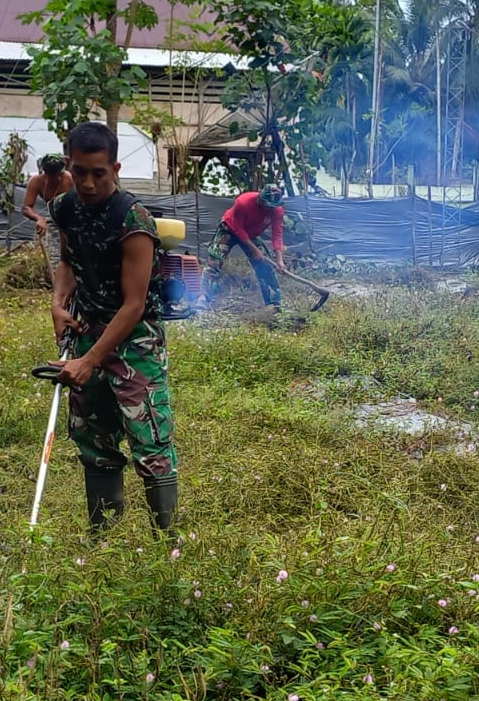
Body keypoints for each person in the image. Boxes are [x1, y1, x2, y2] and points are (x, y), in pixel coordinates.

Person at [47, 121, 178, 532]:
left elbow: (134, 304)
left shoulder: (132, 219)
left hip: (135, 338)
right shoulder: (64, 207)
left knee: (150, 439)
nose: (87, 182)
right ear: (69, 165)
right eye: (79, 171)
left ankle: (168, 543)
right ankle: (102, 539)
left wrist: (89, 360)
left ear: (115, 168)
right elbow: (68, 263)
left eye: (98, 173)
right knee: (94, 440)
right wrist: (57, 303)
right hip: (89, 329)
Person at [210, 185, 286, 305]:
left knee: (264, 265)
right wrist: (254, 249)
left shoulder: (277, 210)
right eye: (267, 205)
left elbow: (277, 233)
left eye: (272, 206)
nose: (269, 209)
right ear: (260, 199)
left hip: (250, 234)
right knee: (214, 261)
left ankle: (274, 304)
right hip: (229, 227)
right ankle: (202, 300)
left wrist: (279, 260)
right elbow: (238, 229)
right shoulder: (243, 202)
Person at [21, 153, 74, 277]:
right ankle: (57, 282)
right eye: (52, 175)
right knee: (55, 256)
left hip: (73, 220)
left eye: (59, 174)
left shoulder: (69, 179)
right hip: (54, 220)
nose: (57, 178)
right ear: (45, 173)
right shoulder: (36, 181)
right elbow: (26, 207)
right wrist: (39, 218)